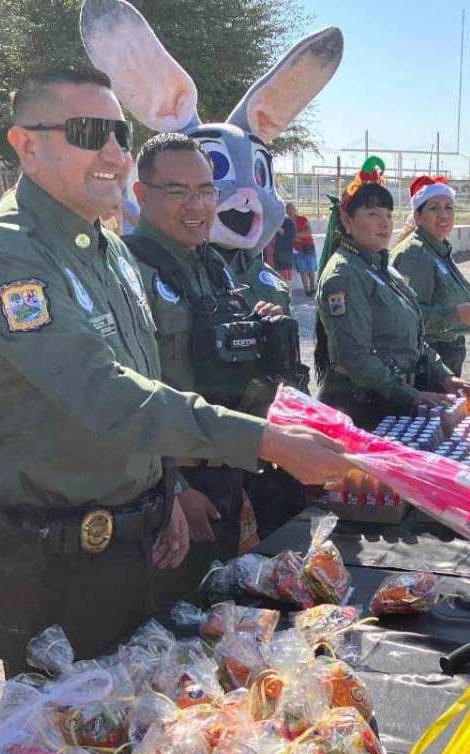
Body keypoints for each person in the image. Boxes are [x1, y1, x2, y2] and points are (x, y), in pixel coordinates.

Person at [0, 68, 350, 677]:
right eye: (87, 131)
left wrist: (167, 488)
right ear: (27, 146)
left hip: (137, 547)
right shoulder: (6, 258)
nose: (111, 152)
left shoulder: (104, 250)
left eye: (118, 134)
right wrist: (267, 441)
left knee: (154, 741)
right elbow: (108, 397)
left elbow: (148, 376)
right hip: (54, 572)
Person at [124, 132, 301, 604]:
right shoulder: (128, 271)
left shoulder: (214, 266)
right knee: (170, 622)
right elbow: (128, 394)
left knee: (220, 617)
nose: (197, 205)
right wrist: (173, 489)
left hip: (224, 470)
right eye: (177, 191)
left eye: (206, 191)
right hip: (171, 489)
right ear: (141, 194)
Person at [314, 158, 470, 429]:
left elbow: (413, 339)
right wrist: (413, 395)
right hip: (360, 409)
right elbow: (357, 359)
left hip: (389, 401)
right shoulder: (345, 275)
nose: (385, 224)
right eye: (373, 214)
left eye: (388, 214)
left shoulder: (382, 268)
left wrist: (444, 375)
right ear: (346, 220)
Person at [390, 176, 470, 376]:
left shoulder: (437, 247)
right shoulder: (415, 254)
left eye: (449, 207)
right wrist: (457, 314)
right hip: (429, 358)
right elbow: (407, 318)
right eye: (434, 208)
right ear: (417, 216)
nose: (443, 214)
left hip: (446, 351)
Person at [289, 202, 318, 297]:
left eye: (292, 208)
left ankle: (313, 288)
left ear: (295, 210)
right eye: (288, 209)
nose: (290, 210)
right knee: (302, 270)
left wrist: (296, 235)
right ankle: (307, 290)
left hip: (308, 247)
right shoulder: (287, 222)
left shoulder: (302, 219)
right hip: (297, 250)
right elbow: (287, 236)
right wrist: (295, 237)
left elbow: (308, 232)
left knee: (311, 269)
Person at [268, 211, 298, 288]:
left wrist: (278, 227)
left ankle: (286, 298)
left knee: (284, 282)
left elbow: (292, 235)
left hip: (283, 257)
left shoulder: (288, 221)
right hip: (269, 257)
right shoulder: (267, 221)